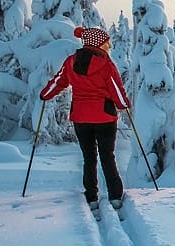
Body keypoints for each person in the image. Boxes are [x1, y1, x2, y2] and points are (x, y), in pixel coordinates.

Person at [40, 26, 130, 214]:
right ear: (99, 43)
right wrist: (123, 104)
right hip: (104, 117)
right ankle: (115, 196)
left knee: (89, 157)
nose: (108, 46)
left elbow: (58, 81)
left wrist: (46, 94)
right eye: (106, 43)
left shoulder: (71, 62)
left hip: (81, 118)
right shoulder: (106, 64)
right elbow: (116, 88)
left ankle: (91, 197)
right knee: (107, 156)